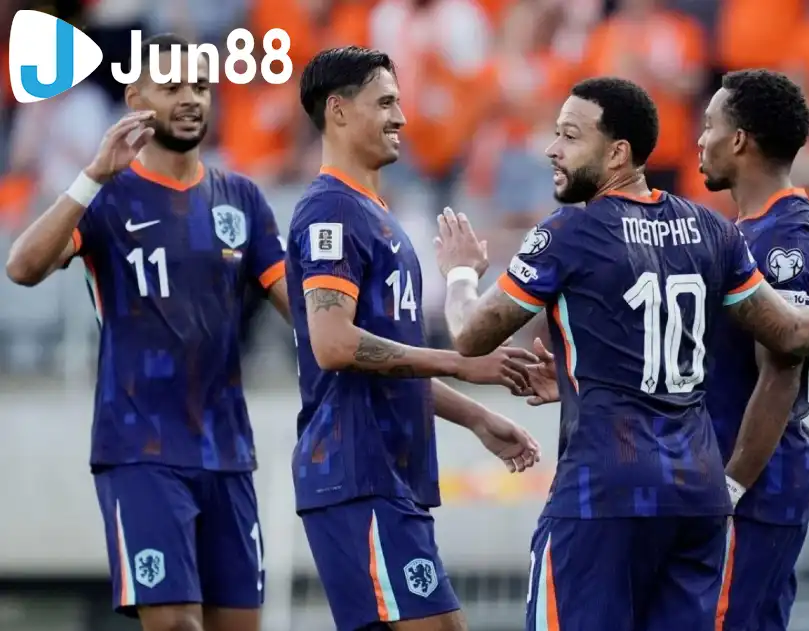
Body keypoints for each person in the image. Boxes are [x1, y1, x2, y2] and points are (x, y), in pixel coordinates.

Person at [432, 76, 809, 631]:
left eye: (569, 136)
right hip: (694, 496)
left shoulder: (571, 232)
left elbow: (469, 336)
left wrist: (460, 274)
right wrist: (583, 374)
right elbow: (791, 330)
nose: (551, 149)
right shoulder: (711, 230)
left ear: (617, 152)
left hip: (604, 492)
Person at [6, 34, 289, 631]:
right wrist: (91, 175)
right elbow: (22, 267)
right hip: (140, 451)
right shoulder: (107, 197)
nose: (190, 99)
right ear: (136, 98)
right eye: (172, 86)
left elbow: (308, 315)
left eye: (201, 87)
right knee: (176, 624)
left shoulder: (241, 199)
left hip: (227, 452)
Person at [286, 46, 541, 631]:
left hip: (385, 474)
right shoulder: (330, 211)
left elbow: (383, 362)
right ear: (338, 110)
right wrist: (459, 363)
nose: (400, 117)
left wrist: (475, 416)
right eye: (384, 103)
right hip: (357, 472)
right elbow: (334, 345)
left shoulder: (377, 215)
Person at [699, 69, 809, 631]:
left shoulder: (785, 240)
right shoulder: (745, 230)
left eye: (709, 125)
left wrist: (729, 487)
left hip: (755, 487)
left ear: (738, 140)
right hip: (744, 482)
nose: (699, 139)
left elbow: (780, 374)